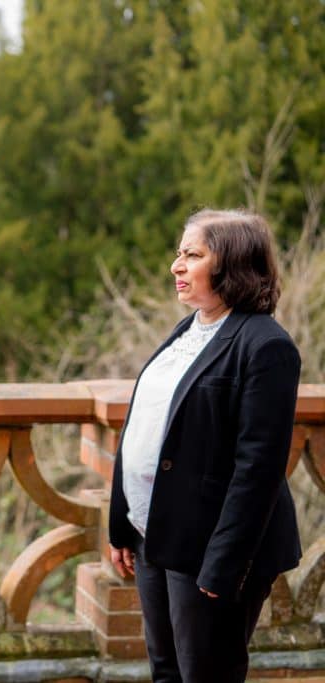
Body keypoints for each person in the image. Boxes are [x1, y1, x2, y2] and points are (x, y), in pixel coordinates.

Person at [108, 208, 302, 682]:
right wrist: (122, 525)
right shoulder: (189, 329)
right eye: (179, 253)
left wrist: (224, 567)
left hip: (208, 550)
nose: (176, 265)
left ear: (232, 264)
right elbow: (147, 426)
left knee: (208, 675)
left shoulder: (266, 346)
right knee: (167, 671)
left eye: (192, 254)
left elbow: (258, 469)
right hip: (154, 534)